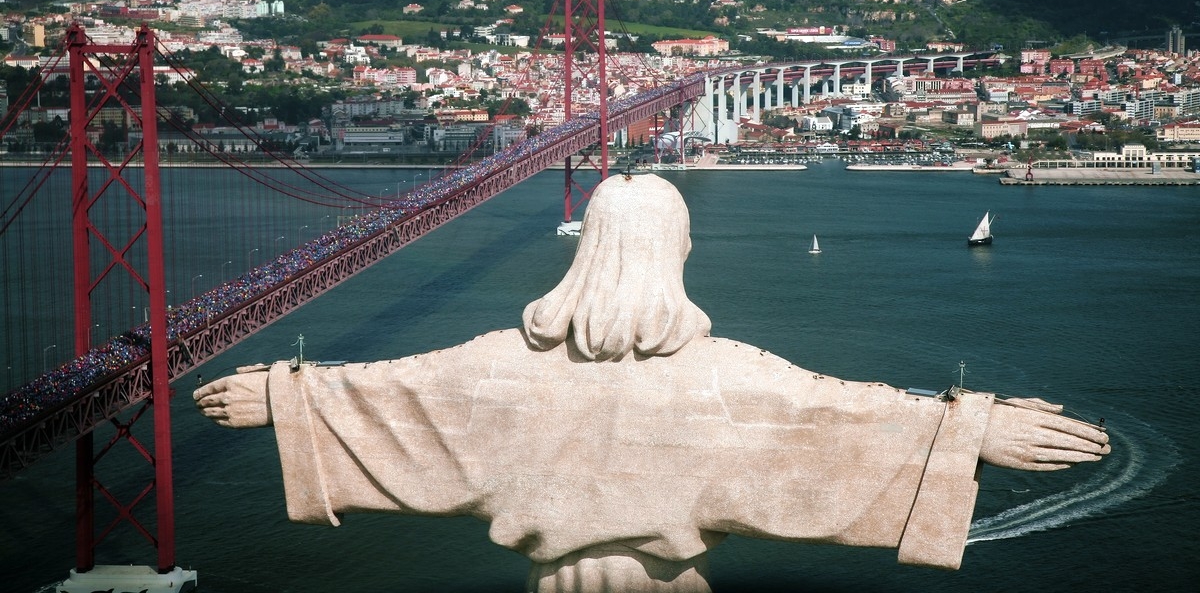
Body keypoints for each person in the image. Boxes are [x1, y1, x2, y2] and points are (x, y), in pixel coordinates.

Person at [196, 173, 1110, 593]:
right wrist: (973, 428)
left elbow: (388, 393)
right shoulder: (729, 378)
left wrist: (286, 395)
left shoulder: (493, 364)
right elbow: (845, 416)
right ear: (680, 251)